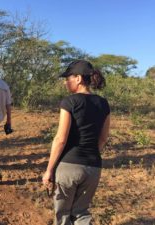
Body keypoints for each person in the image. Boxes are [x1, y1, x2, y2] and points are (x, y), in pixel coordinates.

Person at [42, 60, 110, 225]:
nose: (66, 82)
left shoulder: (70, 102)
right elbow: (103, 139)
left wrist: (49, 170)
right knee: (81, 213)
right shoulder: (103, 103)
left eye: (68, 78)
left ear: (78, 78)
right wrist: (90, 156)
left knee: (63, 215)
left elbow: (60, 139)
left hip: (69, 167)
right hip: (93, 167)